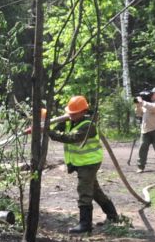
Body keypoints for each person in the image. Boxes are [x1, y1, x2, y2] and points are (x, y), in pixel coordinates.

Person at [45, 94, 124, 233]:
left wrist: (49, 132)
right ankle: (113, 216)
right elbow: (59, 129)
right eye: (70, 113)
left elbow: (71, 138)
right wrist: (54, 125)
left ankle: (85, 224)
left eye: (74, 113)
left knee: (84, 191)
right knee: (95, 191)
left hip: (89, 163)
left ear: (83, 112)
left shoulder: (89, 126)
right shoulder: (71, 121)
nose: (71, 115)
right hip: (81, 162)